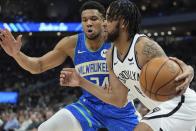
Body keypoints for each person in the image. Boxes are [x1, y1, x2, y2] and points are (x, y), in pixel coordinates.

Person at [0, 1, 139, 131]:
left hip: (120, 110)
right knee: (45, 128)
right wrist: (16, 54)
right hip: (88, 107)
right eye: (84, 20)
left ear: (104, 22)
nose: (89, 23)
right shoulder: (71, 44)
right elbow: (38, 66)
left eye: (94, 19)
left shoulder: (118, 42)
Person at [60, 0, 196, 131]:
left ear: (123, 23)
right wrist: (81, 81)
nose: (104, 24)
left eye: (109, 19)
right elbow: (118, 100)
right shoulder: (110, 56)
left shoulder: (143, 47)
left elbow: (171, 70)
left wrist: (188, 69)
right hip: (162, 111)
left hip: (181, 104)